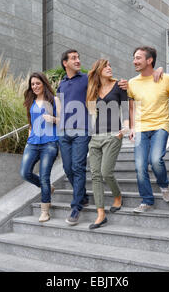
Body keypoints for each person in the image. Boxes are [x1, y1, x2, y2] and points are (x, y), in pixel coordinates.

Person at [57, 49, 128, 226]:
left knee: (81, 168)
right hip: (67, 132)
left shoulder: (87, 80)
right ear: (65, 63)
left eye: (79, 57)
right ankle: (84, 197)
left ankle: (77, 206)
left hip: (85, 130)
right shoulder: (62, 83)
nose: (78, 60)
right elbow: (60, 104)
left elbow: (105, 79)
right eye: (73, 58)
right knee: (68, 168)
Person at [127, 46, 169, 213]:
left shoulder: (166, 79)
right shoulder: (132, 83)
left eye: (138, 58)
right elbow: (132, 107)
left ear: (149, 60)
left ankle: (163, 184)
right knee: (140, 166)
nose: (134, 61)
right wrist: (132, 127)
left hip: (160, 126)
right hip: (141, 128)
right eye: (134, 58)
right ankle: (147, 200)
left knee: (155, 160)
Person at [85, 59, 129, 229]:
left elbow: (125, 108)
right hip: (95, 137)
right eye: (106, 66)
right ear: (98, 70)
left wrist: (124, 128)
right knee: (95, 175)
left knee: (106, 172)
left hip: (113, 135)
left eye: (110, 65)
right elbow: (91, 114)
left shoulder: (119, 85)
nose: (109, 68)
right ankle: (100, 214)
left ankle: (117, 196)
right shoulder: (93, 90)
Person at [20, 72, 61, 222]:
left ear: (43, 83)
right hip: (32, 143)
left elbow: (63, 121)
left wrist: (53, 119)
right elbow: (30, 123)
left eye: (38, 83)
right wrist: (28, 139)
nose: (35, 86)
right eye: (32, 84)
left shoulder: (54, 100)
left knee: (44, 176)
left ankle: (45, 211)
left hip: (49, 143)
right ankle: (47, 188)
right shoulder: (31, 102)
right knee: (25, 172)